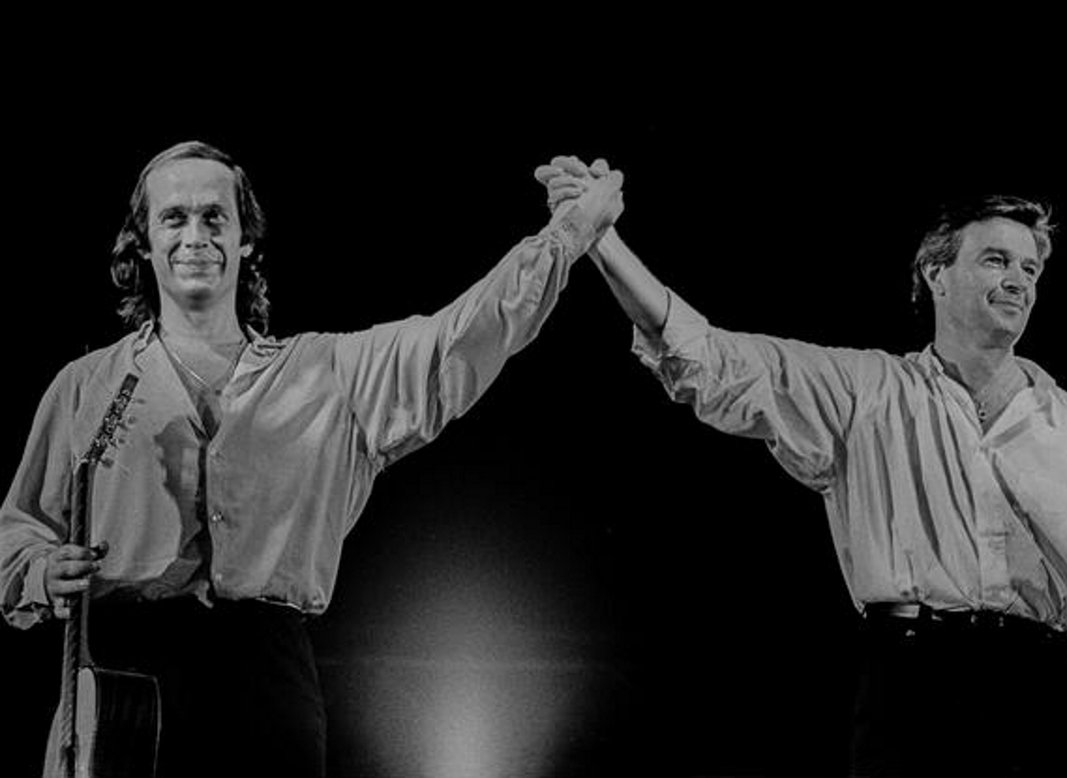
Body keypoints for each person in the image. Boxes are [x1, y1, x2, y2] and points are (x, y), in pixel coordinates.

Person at [535, 157, 1067, 777]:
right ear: (937, 274)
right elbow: (718, 362)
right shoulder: (866, 392)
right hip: (912, 685)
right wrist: (604, 244)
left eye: (1031, 268)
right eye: (995, 260)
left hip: (1036, 692)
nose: (1019, 280)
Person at [0, 141, 623, 778]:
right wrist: (44, 573)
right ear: (144, 242)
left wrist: (568, 234)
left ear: (245, 240)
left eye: (216, 217)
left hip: (265, 682)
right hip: (120, 679)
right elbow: (19, 537)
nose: (195, 235)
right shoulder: (84, 387)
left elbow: (457, 338)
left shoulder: (327, 375)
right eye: (174, 218)